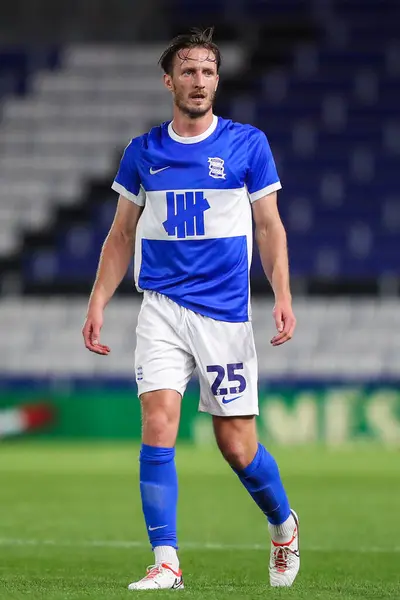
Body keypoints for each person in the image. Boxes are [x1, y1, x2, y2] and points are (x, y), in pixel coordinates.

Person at [82, 27, 299, 591]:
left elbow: (270, 226)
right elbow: (120, 233)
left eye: (207, 70)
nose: (198, 80)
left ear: (217, 81)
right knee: (157, 424)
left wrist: (281, 292)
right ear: (169, 81)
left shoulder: (247, 145)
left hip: (224, 315)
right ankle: (167, 562)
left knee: (237, 445)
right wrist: (98, 301)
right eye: (188, 70)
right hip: (160, 308)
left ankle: (283, 525)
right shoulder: (143, 151)